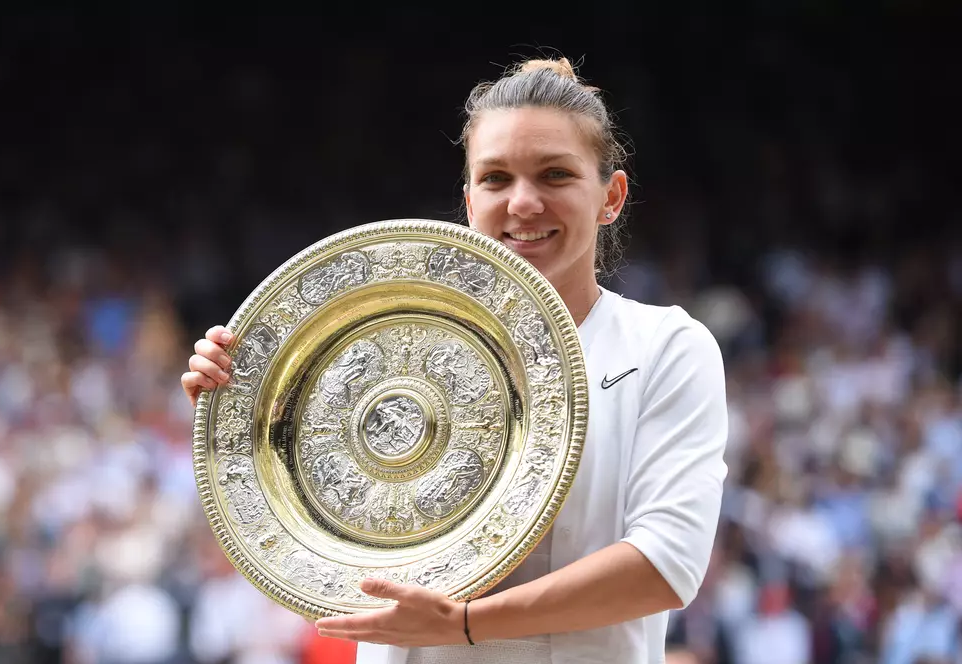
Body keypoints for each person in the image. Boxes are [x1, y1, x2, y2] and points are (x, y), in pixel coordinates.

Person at [181, 56, 729, 664]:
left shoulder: (665, 348)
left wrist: (464, 624)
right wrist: (243, 414)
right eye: (496, 178)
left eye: (555, 175)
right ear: (468, 200)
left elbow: (665, 566)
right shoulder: (373, 341)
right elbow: (309, 550)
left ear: (611, 195)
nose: (523, 203)